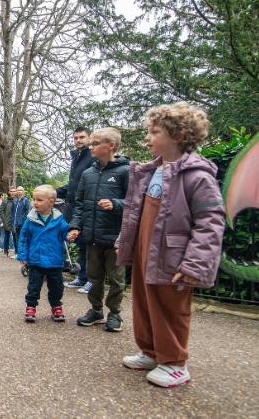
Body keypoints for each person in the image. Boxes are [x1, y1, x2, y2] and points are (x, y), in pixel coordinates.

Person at [116, 102, 225, 388]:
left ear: (176, 136)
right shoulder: (150, 171)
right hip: (145, 251)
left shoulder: (197, 175)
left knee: (171, 307)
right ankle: (151, 352)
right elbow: (135, 214)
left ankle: (175, 362)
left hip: (174, 257)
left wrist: (195, 264)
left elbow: (210, 222)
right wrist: (124, 241)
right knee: (144, 302)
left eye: (154, 132)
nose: (148, 138)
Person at [67, 128, 130, 333]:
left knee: (116, 279)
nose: (90, 147)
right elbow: (79, 204)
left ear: (111, 145)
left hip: (114, 237)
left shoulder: (126, 171)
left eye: (95, 143)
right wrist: (76, 227)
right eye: (90, 143)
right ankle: (96, 310)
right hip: (91, 236)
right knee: (94, 277)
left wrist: (116, 204)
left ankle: (115, 313)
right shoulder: (88, 173)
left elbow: (135, 203)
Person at [18, 185, 78, 322]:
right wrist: (22, 254)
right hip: (36, 260)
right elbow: (24, 237)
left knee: (57, 286)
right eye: (34, 199)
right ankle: (31, 306)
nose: (35, 203)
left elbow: (65, 235)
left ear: (51, 202)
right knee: (34, 286)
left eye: (39, 200)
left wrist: (71, 236)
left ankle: (56, 306)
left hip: (54, 261)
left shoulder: (59, 220)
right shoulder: (30, 220)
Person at [56, 127, 96, 293]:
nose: (78, 140)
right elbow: (73, 184)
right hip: (74, 207)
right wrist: (54, 191)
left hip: (86, 206)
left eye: (82, 137)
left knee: (88, 245)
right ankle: (83, 277)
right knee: (81, 243)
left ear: (89, 138)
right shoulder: (77, 157)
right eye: (75, 138)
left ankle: (92, 280)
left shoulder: (92, 156)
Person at [11, 186, 31, 259]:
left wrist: (23, 220)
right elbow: (13, 212)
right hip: (15, 223)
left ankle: (23, 253)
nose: (19, 191)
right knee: (17, 238)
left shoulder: (26, 200)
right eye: (18, 190)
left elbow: (27, 211)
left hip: (22, 223)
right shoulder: (15, 201)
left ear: (23, 191)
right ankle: (18, 253)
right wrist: (12, 221)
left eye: (21, 190)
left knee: (23, 238)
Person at [0, 187, 16, 257]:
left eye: (14, 191)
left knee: (15, 238)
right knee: (6, 237)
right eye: (11, 191)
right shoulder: (5, 201)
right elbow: (1, 210)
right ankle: (5, 252)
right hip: (7, 222)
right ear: (9, 192)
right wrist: (4, 219)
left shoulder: (17, 201)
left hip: (15, 223)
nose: (12, 193)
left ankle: (16, 252)